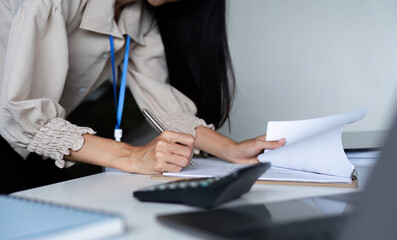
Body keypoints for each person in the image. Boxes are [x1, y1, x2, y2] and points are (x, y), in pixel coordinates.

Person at [0, 0, 285, 193]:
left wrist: (230, 149)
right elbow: (24, 118)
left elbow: (166, 108)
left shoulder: (139, 18)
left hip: (33, 152)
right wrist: (134, 157)